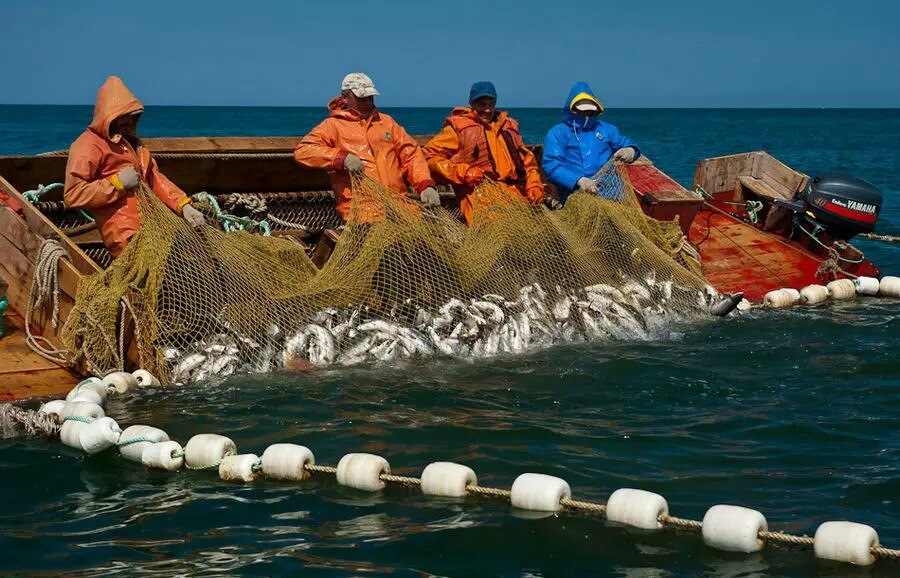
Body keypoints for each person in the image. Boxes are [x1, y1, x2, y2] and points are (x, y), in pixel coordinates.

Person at [64, 76, 206, 258]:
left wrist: (183, 205)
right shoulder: (87, 145)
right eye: (123, 118)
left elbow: (154, 179)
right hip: (125, 236)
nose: (128, 123)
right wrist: (117, 184)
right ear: (109, 116)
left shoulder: (133, 145)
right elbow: (73, 194)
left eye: (132, 117)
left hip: (156, 227)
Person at [293, 73, 439, 222]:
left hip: (401, 209)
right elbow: (303, 151)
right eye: (361, 98)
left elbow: (411, 154)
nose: (367, 102)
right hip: (362, 214)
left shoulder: (387, 122)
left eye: (370, 97)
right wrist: (340, 158)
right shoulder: (332, 126)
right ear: (345, 97)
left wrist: (425, 184)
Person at [423, 81, 546, 224]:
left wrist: (534, 184)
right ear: (471, 103)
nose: (487, 110)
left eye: (490, 104)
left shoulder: (507, 127)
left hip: (516, 199)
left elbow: (527, 162)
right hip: (482, 204)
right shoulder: (458, 129)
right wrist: (463, 172)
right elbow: (428, 157)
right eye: (482, 104)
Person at [542, 82, 641, 203]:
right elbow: (552, 167)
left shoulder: (607, 129)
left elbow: (625, 142)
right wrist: (579, 180)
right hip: (573, 192)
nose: (586, 115)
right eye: (583, 110)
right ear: (572, 109)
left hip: (610, 191)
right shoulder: (557, 133)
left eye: (590, 111)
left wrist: (631, 150)